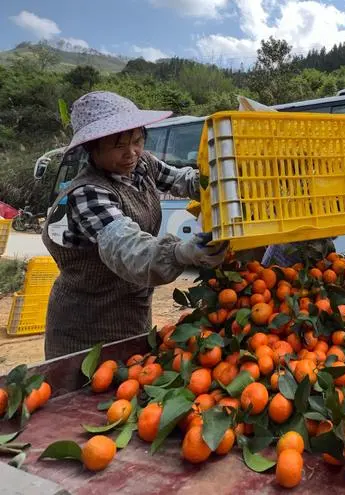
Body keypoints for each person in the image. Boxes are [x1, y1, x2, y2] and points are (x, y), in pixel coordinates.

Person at [42, 91, 228, 359]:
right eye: (119, 146)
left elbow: (184, 180)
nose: (131, 153)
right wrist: (181, 252)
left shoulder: (143, 165)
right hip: (85, 327)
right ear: (92, 148)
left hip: (134, 312)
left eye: (137, 140)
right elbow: (126, 247)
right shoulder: (88, 193)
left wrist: (220, 182)